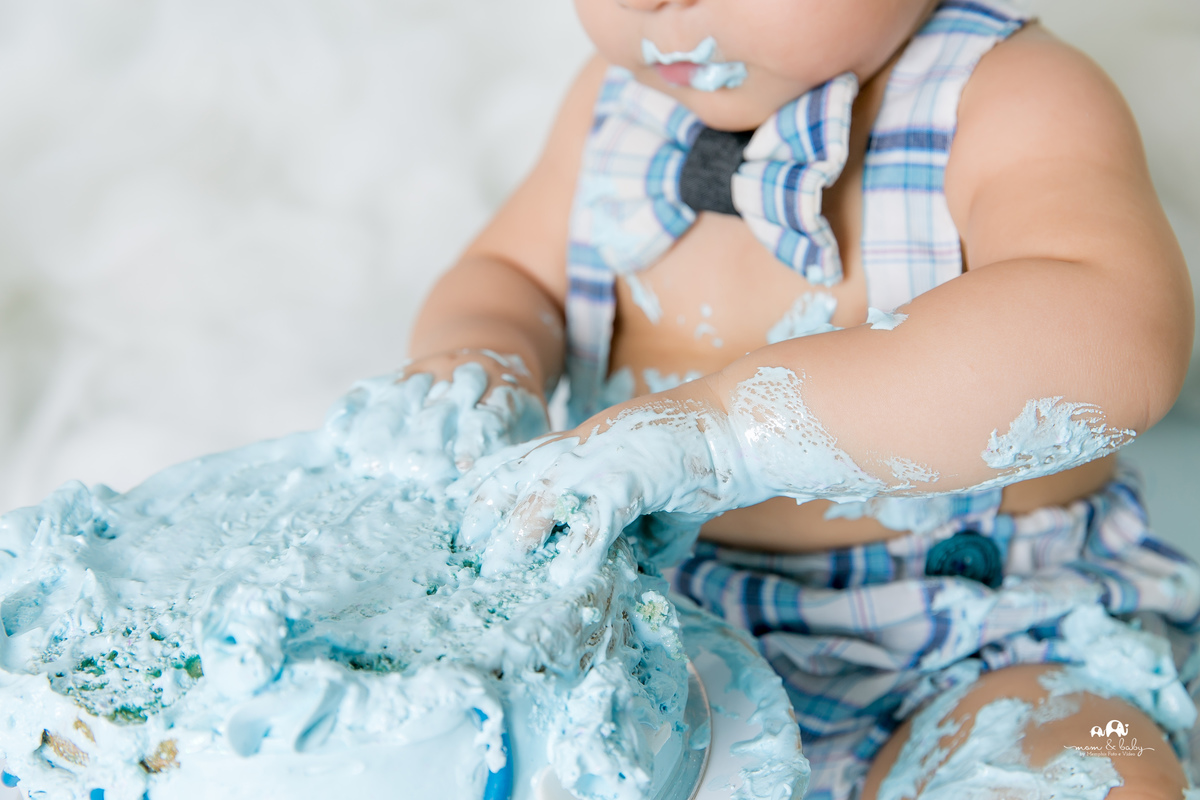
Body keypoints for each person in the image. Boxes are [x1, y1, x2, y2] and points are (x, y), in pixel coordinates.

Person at [406, 0, 1199, 797]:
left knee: (1089, 764)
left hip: (983, 644)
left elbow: (1116, 329)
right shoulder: (615, 101)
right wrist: (477, 364)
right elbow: (515, 278)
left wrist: (727, 434)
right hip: (657, 640)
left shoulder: (1007, 94)